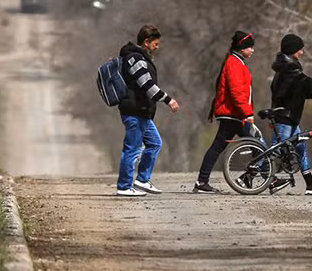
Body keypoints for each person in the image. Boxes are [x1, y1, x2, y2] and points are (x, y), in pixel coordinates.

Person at [193, 31, 288, 193]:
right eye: (250, 47)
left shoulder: (236, 62)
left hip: (233, 114)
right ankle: (270, 179)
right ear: (242, 48)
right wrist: (247, 113)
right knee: (257, 143)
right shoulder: (234, 64)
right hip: (233, 114)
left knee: (221, 147)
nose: (252, 50)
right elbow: (236, 92)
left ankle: (202, 182)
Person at [270, 33, 312, 195]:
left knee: (301, 147)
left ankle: (310, 184)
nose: (302, 51)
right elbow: (305, 82)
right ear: (292, 50)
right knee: (275, 151)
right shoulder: (290, 67)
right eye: (300, 49)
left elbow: (297, 88)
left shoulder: (287, 66)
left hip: (290, 116)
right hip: (285, 117)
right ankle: (258, 176)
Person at [115, 24, 180, 197]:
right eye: (155, 44)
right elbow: (147, 85)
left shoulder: (140, 57)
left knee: (154, 143)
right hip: (134, 111)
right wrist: (168, 99)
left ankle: (142, 179)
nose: (157, 47)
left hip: (142, 112)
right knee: (132, 149)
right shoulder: (135, 58)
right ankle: (124, 186)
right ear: (146, 42)